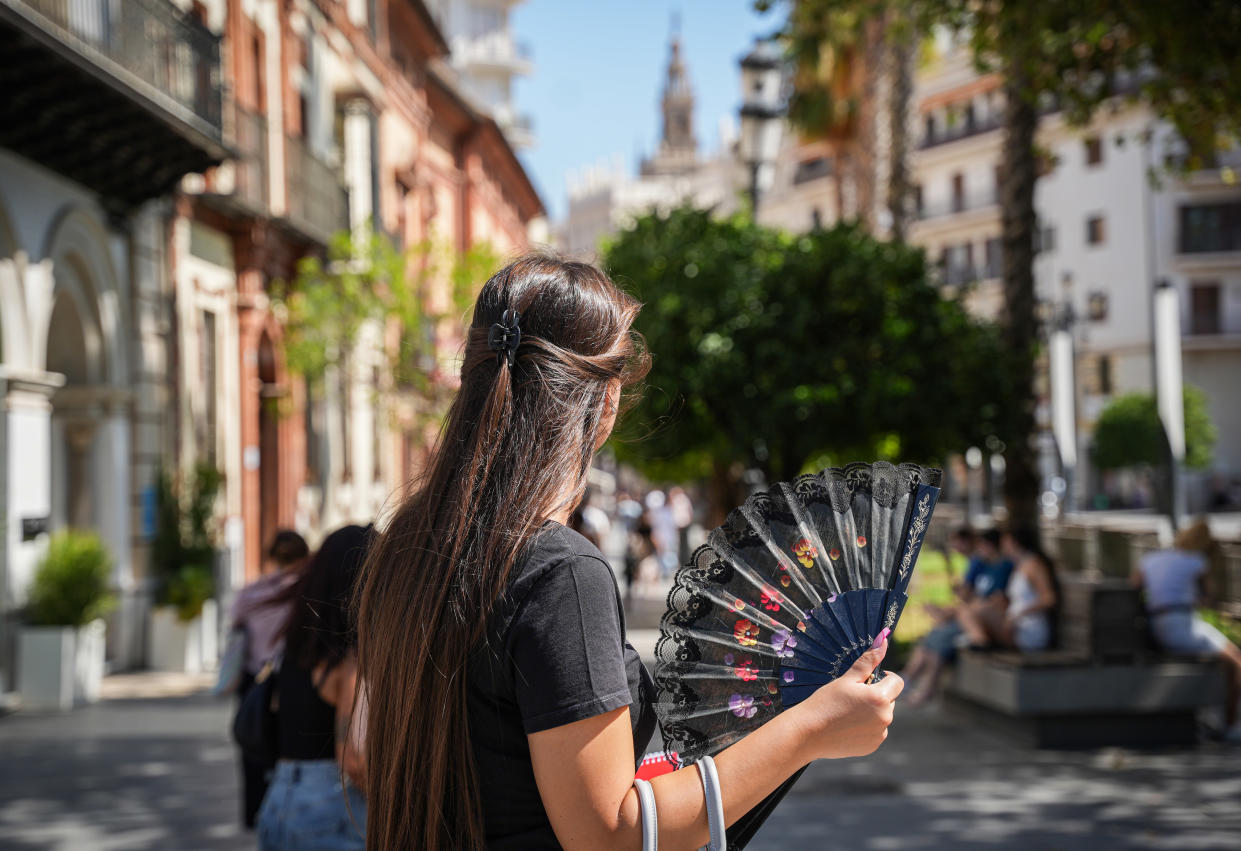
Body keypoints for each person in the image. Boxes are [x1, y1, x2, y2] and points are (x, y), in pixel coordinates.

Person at [355, 254, 903, 850]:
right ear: (607, 401)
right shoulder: (561, 572)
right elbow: (608, 835)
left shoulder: (404, 544)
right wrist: (811, 728)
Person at [257, 525, 370, 851]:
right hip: (329, 809)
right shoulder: (349, 662)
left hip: (279, 800)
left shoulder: (294, 648)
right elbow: (355, 759)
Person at [1133, 519, 1241, 738]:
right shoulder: (1197, 561)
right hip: (1181, 624)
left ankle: (1218, 718)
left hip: (1156, 623)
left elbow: (1132, 588)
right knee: (1236, 662)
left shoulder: (1151, 558)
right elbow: (1209, 599)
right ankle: (1229, 724)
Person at [229, 529, 309, 828]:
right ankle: (285, 810)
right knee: (288, 749)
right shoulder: (305, 590)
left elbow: (235, 621)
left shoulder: (251, 593)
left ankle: (253, 812)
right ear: (303, 556)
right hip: (291, 680)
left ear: (272, 557)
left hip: (254, 680)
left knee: (252, 743)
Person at [903, 527, 1013, 705]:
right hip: (970, 619)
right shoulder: (985, 566)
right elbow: (969, 597)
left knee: (940, 638)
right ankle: (908, 680)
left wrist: (957, 607)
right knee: (933, 636)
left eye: (982, 546)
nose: (979, 550)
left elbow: (993, 601)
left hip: (981, 623)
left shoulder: (1000, 567)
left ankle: (925, 689)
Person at [958, 528, 1057, 652]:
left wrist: (1018, 614)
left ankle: (980, 641)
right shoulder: (1019, 565)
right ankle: (978, 639)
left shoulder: (1034, 565)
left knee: (970, 611)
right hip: (1016, 624)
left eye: (1005, 542)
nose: (1002, 546)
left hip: (1029, 629)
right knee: (968, 609)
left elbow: (1049, 599)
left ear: (1015, 543)